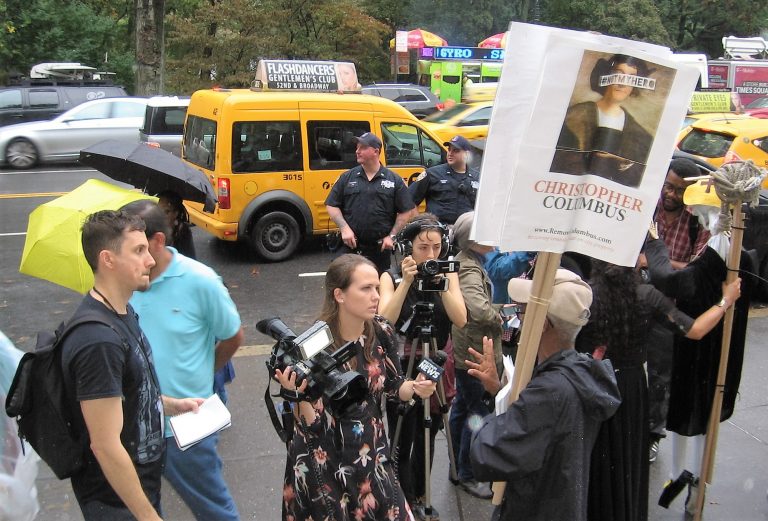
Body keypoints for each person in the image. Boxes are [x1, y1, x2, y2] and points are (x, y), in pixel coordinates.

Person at [60, 210, 202, 520]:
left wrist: (172, 405)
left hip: (139, 491)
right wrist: (148, 516)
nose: (150, 260)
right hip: (117, 504)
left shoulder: (122, 313)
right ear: (108, 260)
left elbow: (131, 393)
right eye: (138, 251)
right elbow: (105, 445)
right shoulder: (97, 341)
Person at [574, 259, 741, 521]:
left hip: (593, 385)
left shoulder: (586, 293)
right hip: (631, 389)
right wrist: (726, 300)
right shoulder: (646, 295)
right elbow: (695, 329)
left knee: (594, 459)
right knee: (627, 460)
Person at [275, 254, 436, 520]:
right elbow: (311, 426)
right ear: (339, 295)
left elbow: (394, 386)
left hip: (371, 454)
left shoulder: (381, 330)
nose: (376, 296)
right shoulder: (314, 345)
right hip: (325, 463)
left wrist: (416, 387)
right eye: (365, 288)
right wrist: (297, 396)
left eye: (376, 287)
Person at [466, 268, 621, 521]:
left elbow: (486, 453)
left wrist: (490, 418)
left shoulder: (550, 391)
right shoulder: (581, 372)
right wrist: (499, 391)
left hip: (535, 509)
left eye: (522, 312)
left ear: (543, 323)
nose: (519, 319)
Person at [123, 200, 244, 521]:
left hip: (187, 426)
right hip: (133, 426)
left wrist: (204, 373)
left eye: (134, 246)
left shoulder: (200, 281)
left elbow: (232, 336)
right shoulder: (123, 283)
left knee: (215, 512)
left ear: (157, 241)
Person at [378, 213, 467, 519]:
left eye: (437, 247)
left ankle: (420, 492)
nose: (431, 255)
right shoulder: (390, 277)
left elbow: (461, 318)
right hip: (402, 366)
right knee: (403, 435)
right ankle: (403, 500)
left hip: (434, 362)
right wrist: (406, 283)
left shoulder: (447, 274)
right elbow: (383, 321)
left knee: (428, 432)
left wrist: (441, 285)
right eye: (423, 247)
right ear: (407, 248)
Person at [644, 157, 712, 461]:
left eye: (679, 190)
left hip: (669, 311)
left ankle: (651, 435)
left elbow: (697, 271)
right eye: (668, 187)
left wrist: (654, 263)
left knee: (660, 377)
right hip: (635, 300)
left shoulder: (698, 221)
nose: (670, 194)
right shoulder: (647, 208)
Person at [157, 190, 236, 404]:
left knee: (213, 379)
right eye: (160, 209)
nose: (162, 214)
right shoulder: (157, 235)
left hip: (190, 305)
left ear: (175, 213)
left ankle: (218, 402)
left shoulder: (182, 234)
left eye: (166, 210)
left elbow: (233, 336)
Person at [448, 211, 502, 499]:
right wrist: (498, 317)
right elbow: (479, 310)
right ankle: (468, 473)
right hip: (475, 349)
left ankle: (457, 467)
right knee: (478, 411)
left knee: (462, 407)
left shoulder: (466, 261)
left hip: (466, 348)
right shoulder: (469, 268)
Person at [550, 54, 655, 188]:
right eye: (618, 74)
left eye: (631, 78)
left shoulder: (641, 135)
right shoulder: (573, 116)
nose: (622, 83)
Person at [326, 132, 417, 273]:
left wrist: (392, 236)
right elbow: (332, 204)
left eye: (362, 147)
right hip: (350, 246)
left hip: (379, 249)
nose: (357, 151)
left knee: (379, 283)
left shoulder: (394, 180)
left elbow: (406, 211)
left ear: (376, 151)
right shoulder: (347, 177)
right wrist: (344, 228)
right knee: (342, 280)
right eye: (357, 147)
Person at [408, 135, 480, 225]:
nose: (450, 153)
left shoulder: (477, 177)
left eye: (456, 151)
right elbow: (409, 200)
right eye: (449, 150)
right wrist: (420, 224)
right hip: (438, 229)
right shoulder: (432, 174)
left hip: (465, 229)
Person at [157, 190, 196, 259]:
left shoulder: (182, 232)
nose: (161, 215)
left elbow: (189, 258)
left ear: (176, 213)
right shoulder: (152, 227)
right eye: (158, 210)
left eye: (166, 212)